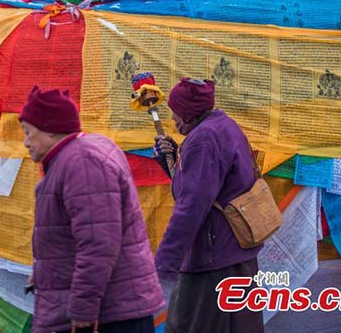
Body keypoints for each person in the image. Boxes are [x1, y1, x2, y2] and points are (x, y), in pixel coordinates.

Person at [20, 86, 165, 333]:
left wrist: (83, 310)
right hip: (109, 307)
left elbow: (98, 243)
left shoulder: (82, 162)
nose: (25, 142)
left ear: (51, 129)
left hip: (109, 315)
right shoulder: (79, 153)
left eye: (28, 132)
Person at [153, 78, 264, 333]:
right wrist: (171, 159)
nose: (173, 119)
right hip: (236, 254)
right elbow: (206, 187)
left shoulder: (203, 141)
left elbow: (190, 207)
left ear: (191, 113)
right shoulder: (223, 125)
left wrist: (164, 265)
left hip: (213, 263)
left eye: (177, 113)